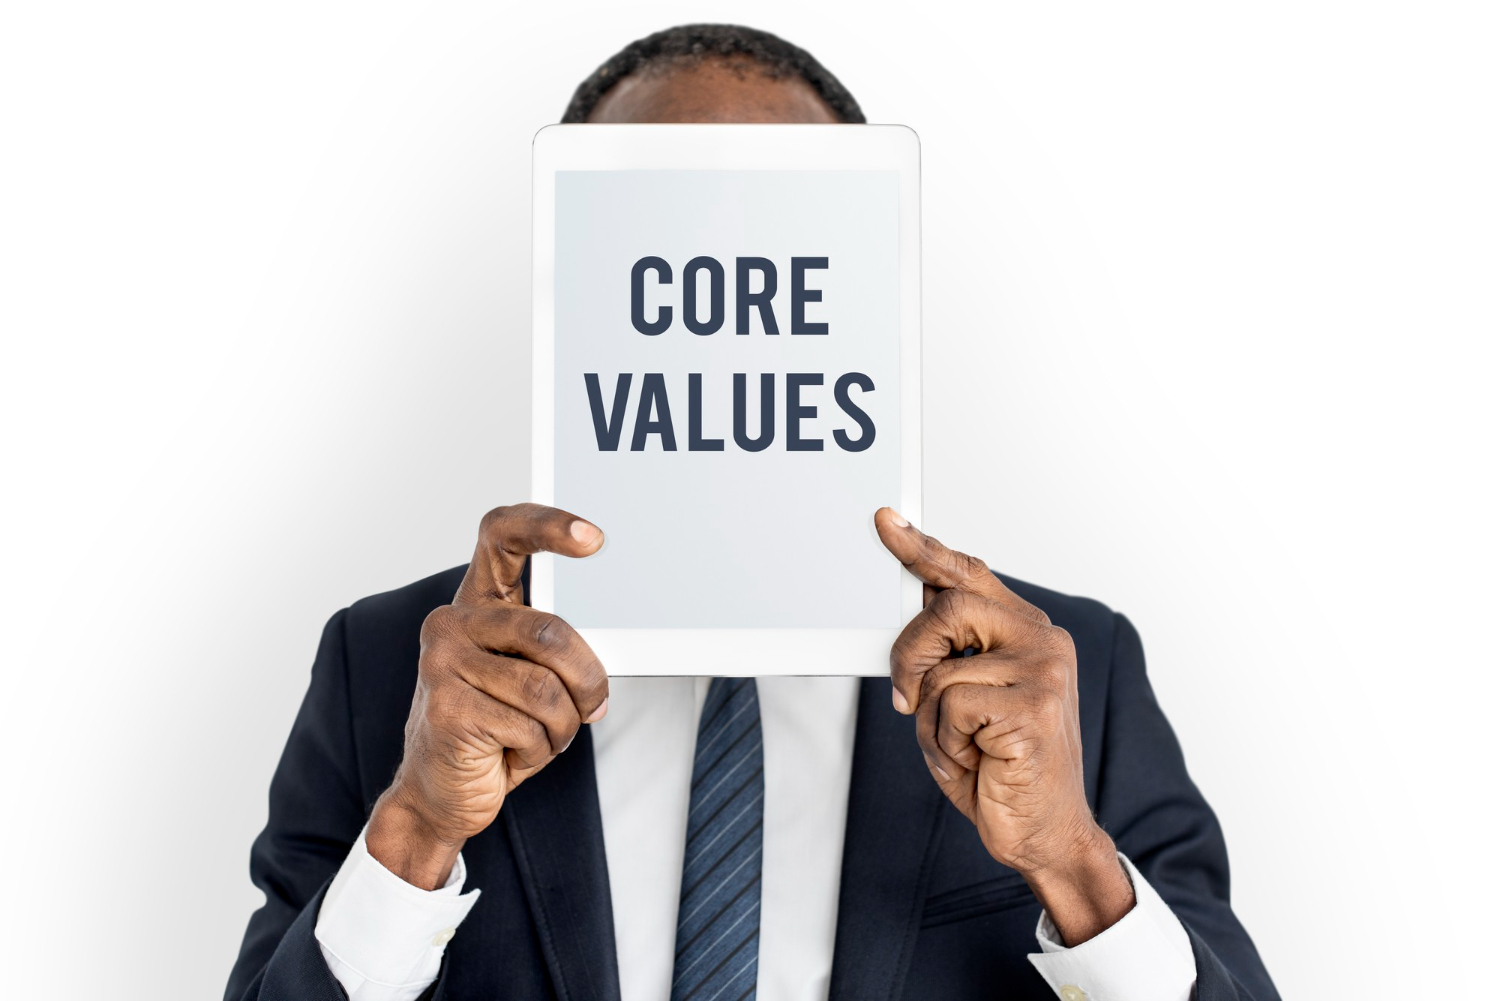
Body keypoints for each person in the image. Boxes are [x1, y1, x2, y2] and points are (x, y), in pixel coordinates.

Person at [225, 24, 1278, 1001]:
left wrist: (1073, 861)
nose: (720, 266)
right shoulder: (394, 662)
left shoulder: (1065, 666)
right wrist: (414, 831)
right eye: (658, 212)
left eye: (777, 214)